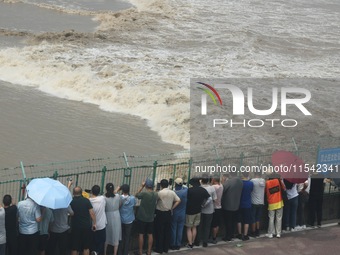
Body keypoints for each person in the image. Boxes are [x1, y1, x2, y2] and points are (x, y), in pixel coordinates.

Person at [154, 179, 181, 254]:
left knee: (160, 231)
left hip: (160, 213)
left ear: (161, 185)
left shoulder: (159, 193)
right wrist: (172, 208)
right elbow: (178, 200)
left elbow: (155, 201)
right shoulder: (172, 192)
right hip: (168, 213)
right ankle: (165, 248)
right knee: (167, 231)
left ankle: (159, 248)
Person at [185, 177, 211, 249]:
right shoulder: (202, 190)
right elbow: (209, 198)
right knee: (194, 227)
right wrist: (203, 205)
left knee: (188, 228)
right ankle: (193, 241)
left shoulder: (189, 190)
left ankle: (190, 243)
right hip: (198, 210)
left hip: (189, 211)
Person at [70, 186, 96, 255]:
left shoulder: (71, 201)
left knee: (74, 247)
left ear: (73, 193)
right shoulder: (86, 201)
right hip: (86, 227)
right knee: (86, 247)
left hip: (75, 227)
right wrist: (94, 223)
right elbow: (92, 213)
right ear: (81, 193)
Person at [135, 179, 158, 255]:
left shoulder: (144, 194)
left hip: (142, 217)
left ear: (146, 186)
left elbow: (136, 195)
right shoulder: (155, 194)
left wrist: (141, 186)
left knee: (141, 234)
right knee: (150, 234)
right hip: (151, 218)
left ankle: (140, 251)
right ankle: (149, 251)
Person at [221, 172, 243, 241]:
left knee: (228, 222)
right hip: (236, 204)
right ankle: (232, 234)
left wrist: (223, 182)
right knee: (233, 221)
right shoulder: (240, 181)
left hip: (228, 205)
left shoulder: (229, 182)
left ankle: (228, 236)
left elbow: (222, 190)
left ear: (230, 174)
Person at [118, 184, 136, 255]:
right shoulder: (132, 198)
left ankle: (119, 252)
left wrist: (118, 189)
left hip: (121, 220)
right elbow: (134, 205)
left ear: (122, 190)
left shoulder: (119, 198)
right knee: (127, 237)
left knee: (120, 237)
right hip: (129, 220)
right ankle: (125, 252)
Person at [170, 178, 188, 250]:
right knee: (180, 229)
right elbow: (186, 187)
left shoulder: (174, 192)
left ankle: (173, 244)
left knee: (173, 228)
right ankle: (178, 244)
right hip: (182, 213)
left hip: (175, 212)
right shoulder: (185, 191)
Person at [89, 185, 107, 255]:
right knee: (101, 242)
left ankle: (94, 252)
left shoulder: (89, 201)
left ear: (92, 191)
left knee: (93, 242)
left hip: (93, 226)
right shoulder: (102, 199)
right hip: (101, 225)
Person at [104, 183, 121, 255]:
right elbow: (120, 203)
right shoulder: (117, 196)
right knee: (116, 234)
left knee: (107, 234)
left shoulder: (104, 197)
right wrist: (116, 190)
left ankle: (104, 252)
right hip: (116, 215)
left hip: (108, 215)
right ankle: (115, 253)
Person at [200, 175, 217, 247]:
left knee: (200, 226)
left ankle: (197, 240)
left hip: (200, 209)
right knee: (207, 226)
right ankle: (205, 241)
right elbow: (215, 199)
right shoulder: (212, 188)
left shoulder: (200, 188)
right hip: (209, 210)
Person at [236, 172, 253, 241]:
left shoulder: (240, 183)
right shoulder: (250, 183)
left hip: (239, 203)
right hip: (248, 204)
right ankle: (245, 235)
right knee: (246, 220)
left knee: (239, 220)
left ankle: (239, 234)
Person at [250, 172, 265, 237]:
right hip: (261, 202)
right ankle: (257, 231)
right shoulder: (263, 181)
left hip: (254, 202)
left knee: (253, 218)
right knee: (258, 218)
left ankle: (253, 232)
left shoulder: (252, 181)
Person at [211, 175, 223, 244]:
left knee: (213, 224)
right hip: (219, 206)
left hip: (214, 207)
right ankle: (215, 237)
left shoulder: (213, 187)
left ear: (213, 180)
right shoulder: (221, 186)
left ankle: (213, 237)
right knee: (217, 224)